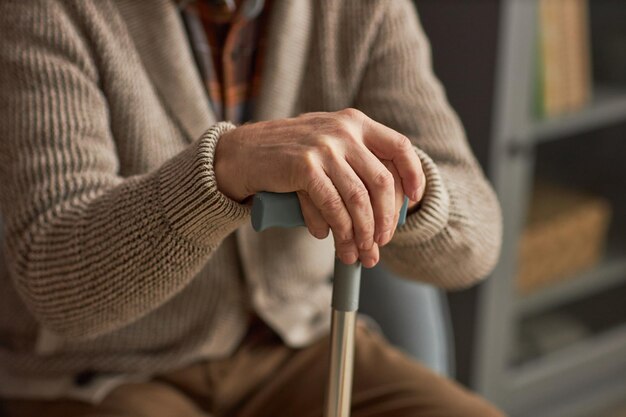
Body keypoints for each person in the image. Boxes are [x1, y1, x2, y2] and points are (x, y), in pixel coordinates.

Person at [0, 0, 504, 416]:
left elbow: (476, 243)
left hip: (298, 346)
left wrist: (404, 186)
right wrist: (221, 171)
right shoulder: (45, 11)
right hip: (99, 373)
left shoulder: (363, 9)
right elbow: (56, 281)